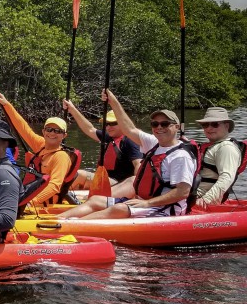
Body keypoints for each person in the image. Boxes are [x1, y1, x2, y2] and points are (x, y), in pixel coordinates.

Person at [59, 90, 197, 219]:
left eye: (165, 124)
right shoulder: (153, 143)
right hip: (144, 202)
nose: (159, 127)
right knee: (95, 200)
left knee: (119, 209)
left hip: (166, 208)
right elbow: (129, 128)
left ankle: (68, 226)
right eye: (155, 124)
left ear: (177, 127)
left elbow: (182, 192)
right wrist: (112, 100)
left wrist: (147, 203)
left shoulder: (181, 156)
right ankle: (56, 220)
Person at [0, 91, 80, 206]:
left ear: (64, 136)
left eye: (58, 131)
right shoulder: (41, 144)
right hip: (28, 196)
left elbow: (54, 186)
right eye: (49, 129)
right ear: (43, 132)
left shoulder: (61, 157)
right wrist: (6, 105)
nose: (52, 133)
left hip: (42, 205)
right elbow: (23, 128)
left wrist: (30, 202)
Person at [63, 101, 142, 197]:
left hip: (120, 185)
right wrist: (72, 109)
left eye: (112, 123)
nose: (108, 127)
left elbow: (139, 164)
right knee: (72, 174)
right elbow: (89, 129)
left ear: (123, 123)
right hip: (106, 180)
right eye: (106, 124)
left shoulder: (130, 141)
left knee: (80, 174)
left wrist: (137, 190)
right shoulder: (108, 137)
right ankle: (61, 197)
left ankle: (66, 198)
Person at [194, 106, 247, 208]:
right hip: (190, 197)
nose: (209, 128)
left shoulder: (226, 147)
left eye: (215, 124)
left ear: (226, 126)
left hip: (201, 201)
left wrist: (205, 200)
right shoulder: (212, 146)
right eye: (205, 125)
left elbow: (227, 178)